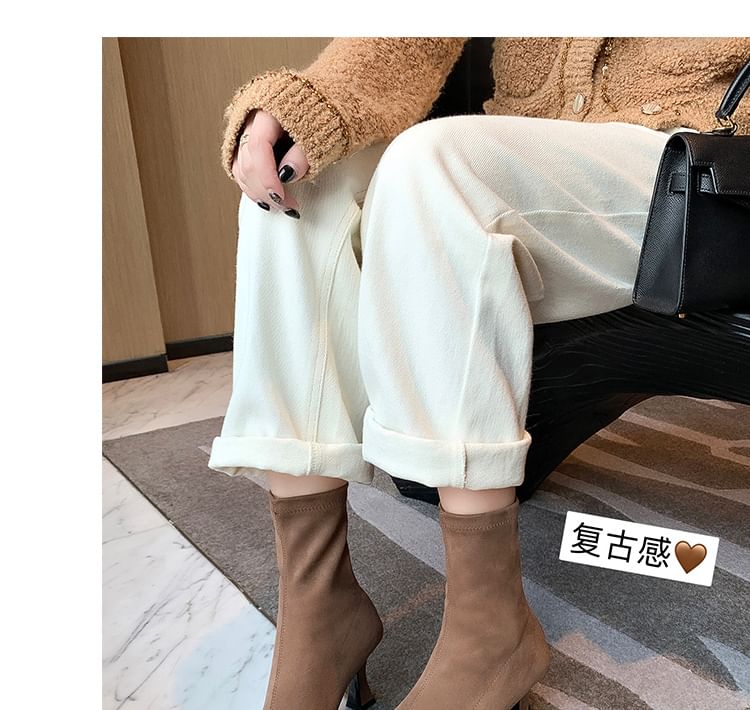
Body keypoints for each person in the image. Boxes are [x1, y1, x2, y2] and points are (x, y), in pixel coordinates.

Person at [207, 37, 750, 710]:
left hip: (693, 168)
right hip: (529, 156)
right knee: (298, 178)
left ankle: (489, 632)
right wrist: (303, 106)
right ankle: (319, 608)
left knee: (435, 162)